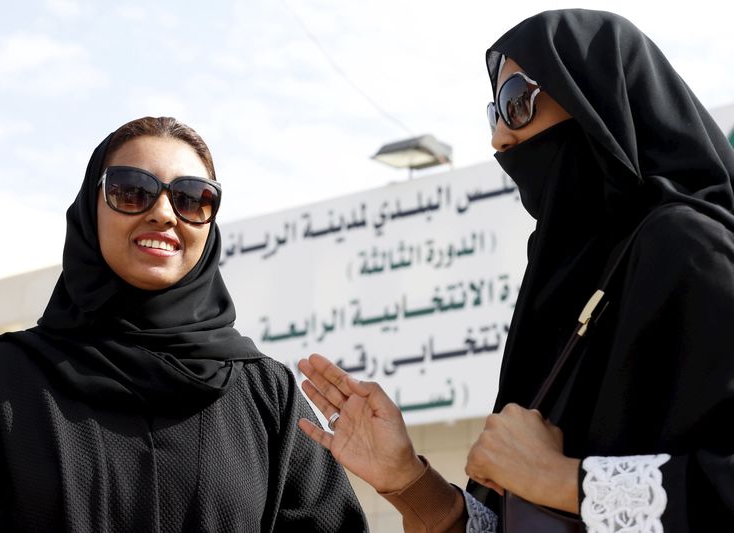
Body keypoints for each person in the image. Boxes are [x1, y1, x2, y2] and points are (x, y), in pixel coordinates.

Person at [297, 9, 734, 532]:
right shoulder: (571, 284)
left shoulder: (689, 248)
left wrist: (563, 480)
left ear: (595, 101)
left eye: (519, 103)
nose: (499, 140)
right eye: (495, 114)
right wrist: (409, 482)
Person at [0, 116, 368, 532]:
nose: (163, 213)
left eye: (192, 198)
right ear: (90, 208)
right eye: (131, 191)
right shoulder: (0, 384)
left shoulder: (265, 395)